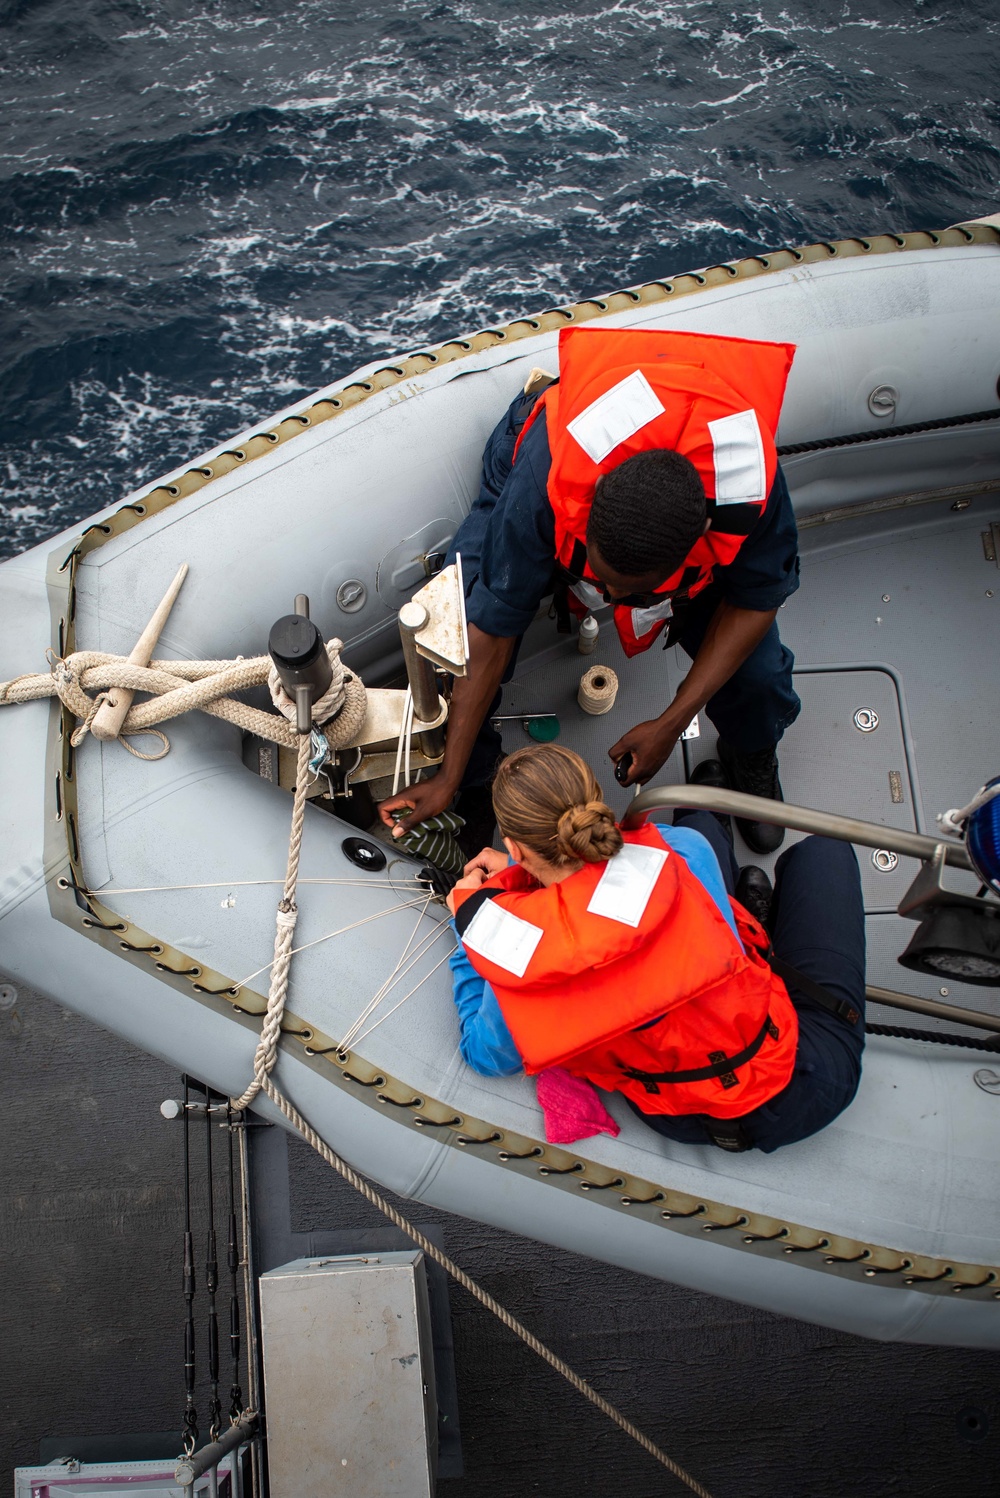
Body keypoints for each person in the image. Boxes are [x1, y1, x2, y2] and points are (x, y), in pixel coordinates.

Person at [381, 325, 802, 855]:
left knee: (760, 678)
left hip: (658, 540)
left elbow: (757, 598)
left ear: (698, 541)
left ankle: (753, 753)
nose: (602, 596)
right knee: (455, 627)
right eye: (598, 580)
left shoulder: (749, 485)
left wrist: (672, 722)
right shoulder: (547, 477)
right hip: (537, 464)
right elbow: (493, 627)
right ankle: (469, 781)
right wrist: (447, 773)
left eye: (622, 591)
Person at [446, 744, 866, 1154]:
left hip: (677, 1115)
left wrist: (475, 928)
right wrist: (526, 873)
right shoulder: (680, 850)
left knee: (709, 835)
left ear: (514, 848)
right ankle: (755, 908)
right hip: (807, 1080)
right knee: (813, 849)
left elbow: (484, 1055)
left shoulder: (516, 957)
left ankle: (751, 904)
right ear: (596, 809)